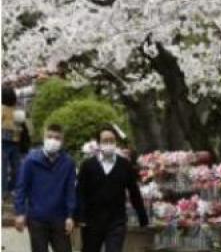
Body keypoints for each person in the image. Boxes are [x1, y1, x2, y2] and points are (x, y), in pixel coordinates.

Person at [77, 125, 149, 252]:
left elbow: (134, 191)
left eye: (112, 140)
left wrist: (142, 216)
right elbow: (80, 192)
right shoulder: (88, 166)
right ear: (99, 143)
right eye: (105, 141)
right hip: (92, 221)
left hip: (116, 221)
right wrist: (79, 216)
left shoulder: (124, 165)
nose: (109, 144)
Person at [14, 123, 77, 252]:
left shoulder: (68, 163)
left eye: (57, 138)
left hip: (60, 219)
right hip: (37, 219)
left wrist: (70, 215)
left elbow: (70, 191)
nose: (53, 140)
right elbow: (21, 187)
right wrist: (20, 212)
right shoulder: (31, 161)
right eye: (50, 137)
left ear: (62, 141)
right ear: (44, 138)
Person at [2, 86, 20, 200]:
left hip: (3, 142)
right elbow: (24, 125)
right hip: (15, 141)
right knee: (16, 168)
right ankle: (12, 188)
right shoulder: (18, 110)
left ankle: (3, 191)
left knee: (3, 168)